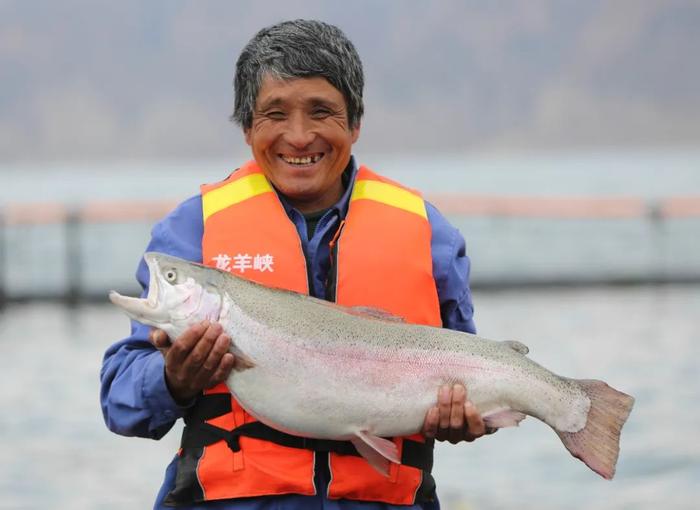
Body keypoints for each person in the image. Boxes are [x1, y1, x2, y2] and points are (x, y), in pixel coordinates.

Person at [101, 19, 491, 510]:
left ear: (355, 122)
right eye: (274, 114)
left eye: (321, 112)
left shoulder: (429, 234)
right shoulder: (191, 230)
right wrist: (174, 378)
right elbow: (120, 402)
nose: (300, 136)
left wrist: (466, 416)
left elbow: (469, 368)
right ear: (247, 127)